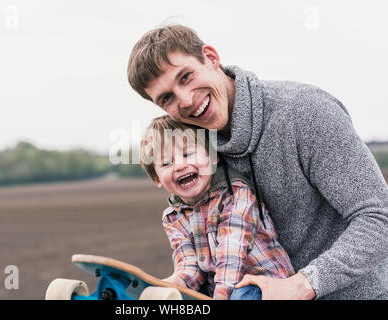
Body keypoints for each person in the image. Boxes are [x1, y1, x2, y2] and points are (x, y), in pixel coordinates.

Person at [128, 24, 388, 300]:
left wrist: (303, 284)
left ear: (212, 57)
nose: (187, 100)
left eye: (186, 77)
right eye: (166, 98)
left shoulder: (305, 111)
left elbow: (379, 217)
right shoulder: (195, 148)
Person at [139, 115, 294, 300]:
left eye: (188, 154)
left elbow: (232, 255)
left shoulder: (236, 194)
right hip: (222, 290)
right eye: (166, 163)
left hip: (265, 284)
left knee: (242, 295)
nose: (180, 165)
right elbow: (190, 265)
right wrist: (174, 285)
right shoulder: (174, 217)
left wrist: (220, 297)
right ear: (157, 178)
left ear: (213, 158)